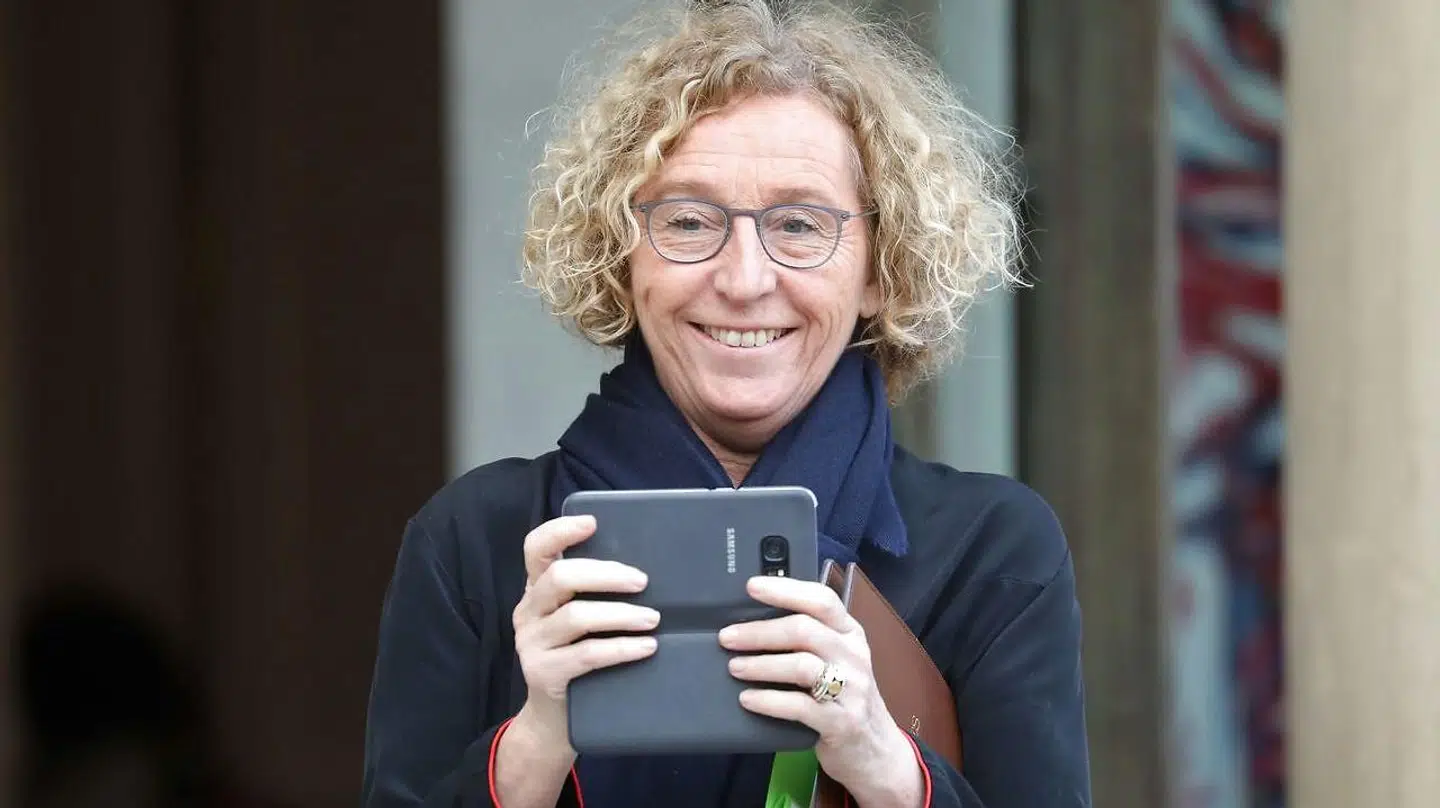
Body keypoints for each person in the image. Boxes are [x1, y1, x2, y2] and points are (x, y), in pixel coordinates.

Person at [360, 1, 1090, 806]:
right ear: (620, 255)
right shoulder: (476, 540)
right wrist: (539, 736)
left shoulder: (992, 550)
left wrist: (879, 757)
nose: (744, 280)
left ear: (883, 271)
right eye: (688, 220)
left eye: (801, 226)